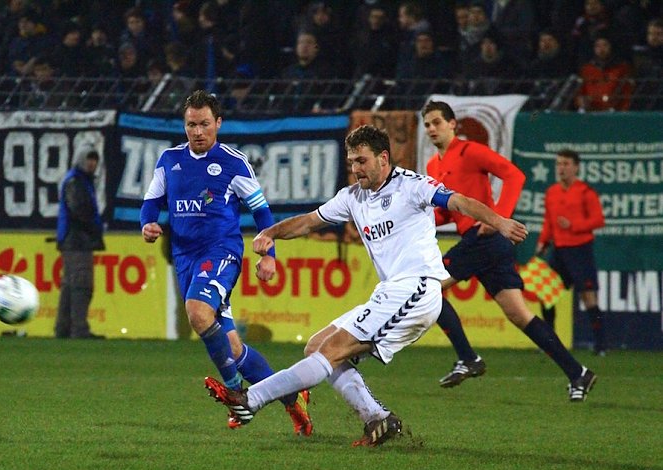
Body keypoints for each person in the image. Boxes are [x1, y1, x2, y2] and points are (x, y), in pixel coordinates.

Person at [204, 124, 529, 446]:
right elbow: (308, 221)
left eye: (362, 161)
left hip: (418, 289)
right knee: (317, 346)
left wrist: (498, 220)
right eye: (352, 162)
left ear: (383, 158)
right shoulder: (352, 197)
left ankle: (250, 399)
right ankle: (377, 419)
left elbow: (458, 202)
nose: (355, 168)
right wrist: (271, 233)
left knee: (331, 351)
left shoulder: (412, 185)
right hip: (391, 292)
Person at [140, 90, 312, 435]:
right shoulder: (169, 160)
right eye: (191, 125)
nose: (198, 131)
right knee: (232, 347)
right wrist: (147, 223)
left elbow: (262, 211)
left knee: (197, 312)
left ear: (218, 123)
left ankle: (236, 393)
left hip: (222, 253)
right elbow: (151, 201)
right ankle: (295, 399)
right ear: (184, 125)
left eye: (205, 124)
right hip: (186, 257)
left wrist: (269, 256)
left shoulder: (233, 163)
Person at [421, 100, 598, 402]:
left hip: (485, 237)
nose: (432, 129)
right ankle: (578, 372)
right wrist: (425, 220)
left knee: (426, 290)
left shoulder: (470, 151)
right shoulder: (433, 166)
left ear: (453, 124)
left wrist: (500, 219)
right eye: (427, 125)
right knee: (520, 314)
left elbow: (514, 175)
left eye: (437, 122)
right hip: (484, 241)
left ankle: (467, 358)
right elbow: (449, 213)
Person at [535, 149, 606, 355]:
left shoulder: (586, 192)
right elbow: (549, 221)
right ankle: (549, 342)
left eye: (566, 164)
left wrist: (573, 224)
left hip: (580, 250)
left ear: (576, 167)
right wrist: (542, 242)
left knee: (588, 298)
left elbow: (598, 220)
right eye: (558, 164)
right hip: (559, 250)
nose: (561, 168)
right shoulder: (552, 192)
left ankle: (600, 345)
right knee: (546, 294)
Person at [55, 146, 105, 340]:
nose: (92, 163)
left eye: (94, 160)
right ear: (81, 160)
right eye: (89, 159)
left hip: (72, 240)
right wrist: (94, 226)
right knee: (82, 285)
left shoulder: (77, 179)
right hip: (77, 240)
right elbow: (79, 210)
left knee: (70, 286)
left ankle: (63, 328)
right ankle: (79, 329)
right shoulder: (76, 182)